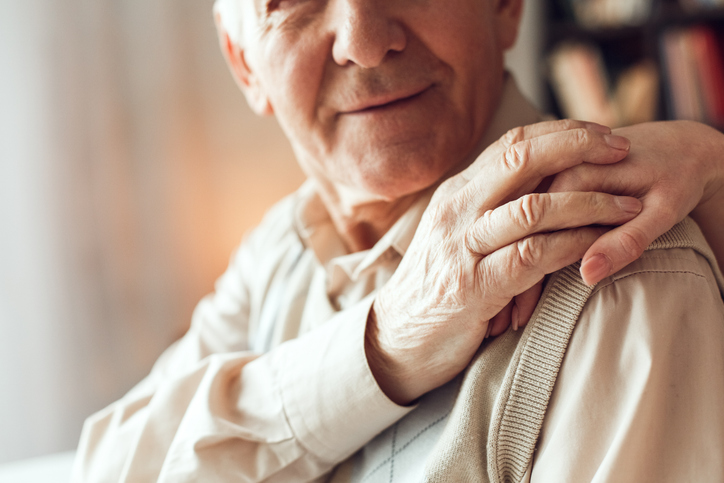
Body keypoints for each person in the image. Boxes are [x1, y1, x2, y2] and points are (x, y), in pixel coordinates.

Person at [71, 0, 724, 481]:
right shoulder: (284, 246)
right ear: (245, 63)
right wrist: (378, 349)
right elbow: (106, 468)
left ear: (505, 7)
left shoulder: (620, 274)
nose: (362, 39)